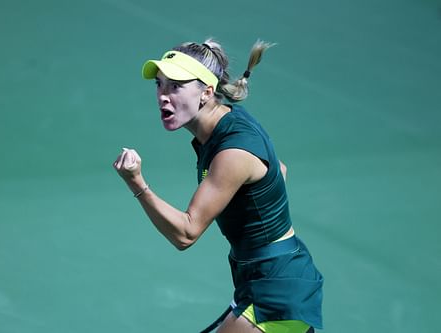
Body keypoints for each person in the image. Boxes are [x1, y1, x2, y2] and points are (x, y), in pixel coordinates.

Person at [113, 38, 323, 333]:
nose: (163, 95)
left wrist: (136, 183)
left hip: (276, 284)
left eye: (176, 86)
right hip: (263, 273)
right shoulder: (226, 124)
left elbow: (186, 234)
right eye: (159, 84)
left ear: (206, 93)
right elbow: (280, 169)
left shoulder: (232, 152)